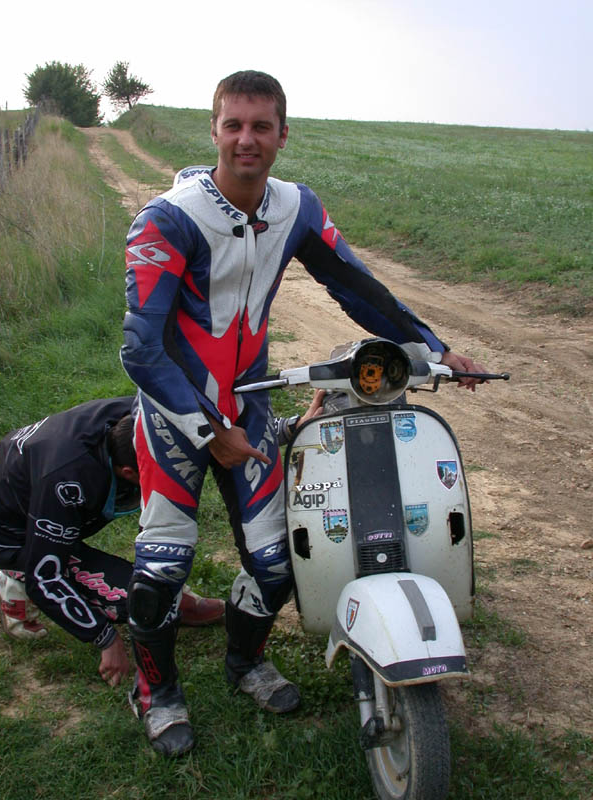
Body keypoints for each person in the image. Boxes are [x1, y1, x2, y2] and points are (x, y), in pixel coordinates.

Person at [121, 69, 487, 756]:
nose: (247, 139)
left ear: (283, 134)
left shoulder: (295, 207)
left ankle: (244, 663)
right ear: (214, 130)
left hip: (250, 407)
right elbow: (141, 349)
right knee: (162, 565)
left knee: (276, 562)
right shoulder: (167, 219)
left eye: (261, 126)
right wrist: (211, 432)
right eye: (234, 124)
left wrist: (434, 348)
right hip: (176, 418)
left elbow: (356, 287)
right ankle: (157, 691)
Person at [0, 397, 226, 688]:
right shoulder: (68, 484)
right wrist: (105, 638)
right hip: (17, 536)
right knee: (144, 602)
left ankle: (174, 596)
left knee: (162, 595)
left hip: (39, 484)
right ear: (128, 472)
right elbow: (45, 576)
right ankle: (14, 577)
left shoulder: (138, 413)